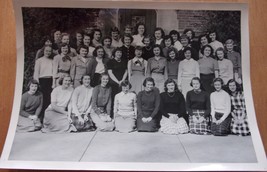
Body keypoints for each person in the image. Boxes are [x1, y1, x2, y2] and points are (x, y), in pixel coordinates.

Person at [33, 45, 54, 122]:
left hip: (50, 81)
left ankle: (47, 119)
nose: (48, 52)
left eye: (49, 51)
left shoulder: (52, 60)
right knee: (42, 100)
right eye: (46, 51)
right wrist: (37, 84)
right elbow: (36, 73)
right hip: (42, 81)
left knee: (49, 100)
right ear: (43, 51)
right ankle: (40, 118)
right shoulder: (39, 60)